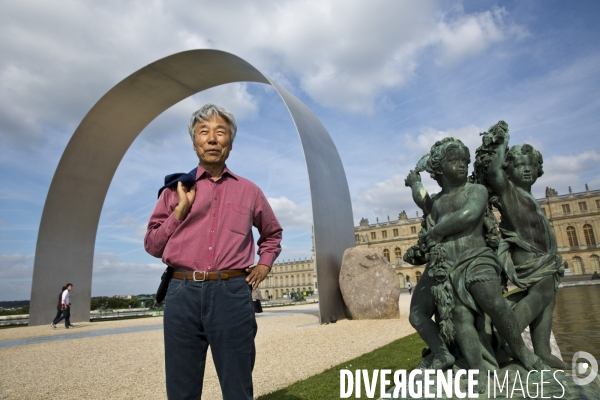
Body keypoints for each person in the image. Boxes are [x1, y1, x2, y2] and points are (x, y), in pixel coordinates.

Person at [144, 104, 283, 400]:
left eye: (220, 132)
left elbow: (272, 234)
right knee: (181, 389)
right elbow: (153, 245)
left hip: (232, 293)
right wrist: (179, 212)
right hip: (182, 292)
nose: (211, 139)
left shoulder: (250, 191)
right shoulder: (174, 191)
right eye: (203, 132)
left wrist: (264, 264)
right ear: (194, 142)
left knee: (237, 388)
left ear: (230, 143)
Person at [405, 138, 544, 390]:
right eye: (454, 161)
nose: (461, 166)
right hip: (450, 267)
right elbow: (421, 199)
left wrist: (436, 233)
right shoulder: (436, 204)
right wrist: (416, 183)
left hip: (477, 259)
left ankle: (522, 351)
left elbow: (468, 215)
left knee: (494, 302)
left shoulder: (475, 191)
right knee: (460, 316)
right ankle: (477, 369)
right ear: (439, 168)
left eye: (464, 161)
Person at [481, 122, 566, 368]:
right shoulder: (510, 192)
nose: (526, 170)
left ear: (539, 169)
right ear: (509, 170)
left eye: (531, 166)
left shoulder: (529, 197)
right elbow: (495, 173)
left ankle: (542, 350)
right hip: (527, 255)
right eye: (518, 166)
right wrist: (502, 143)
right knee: (542, 292)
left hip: (543, 257)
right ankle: (508, 337)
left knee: (548, 296)